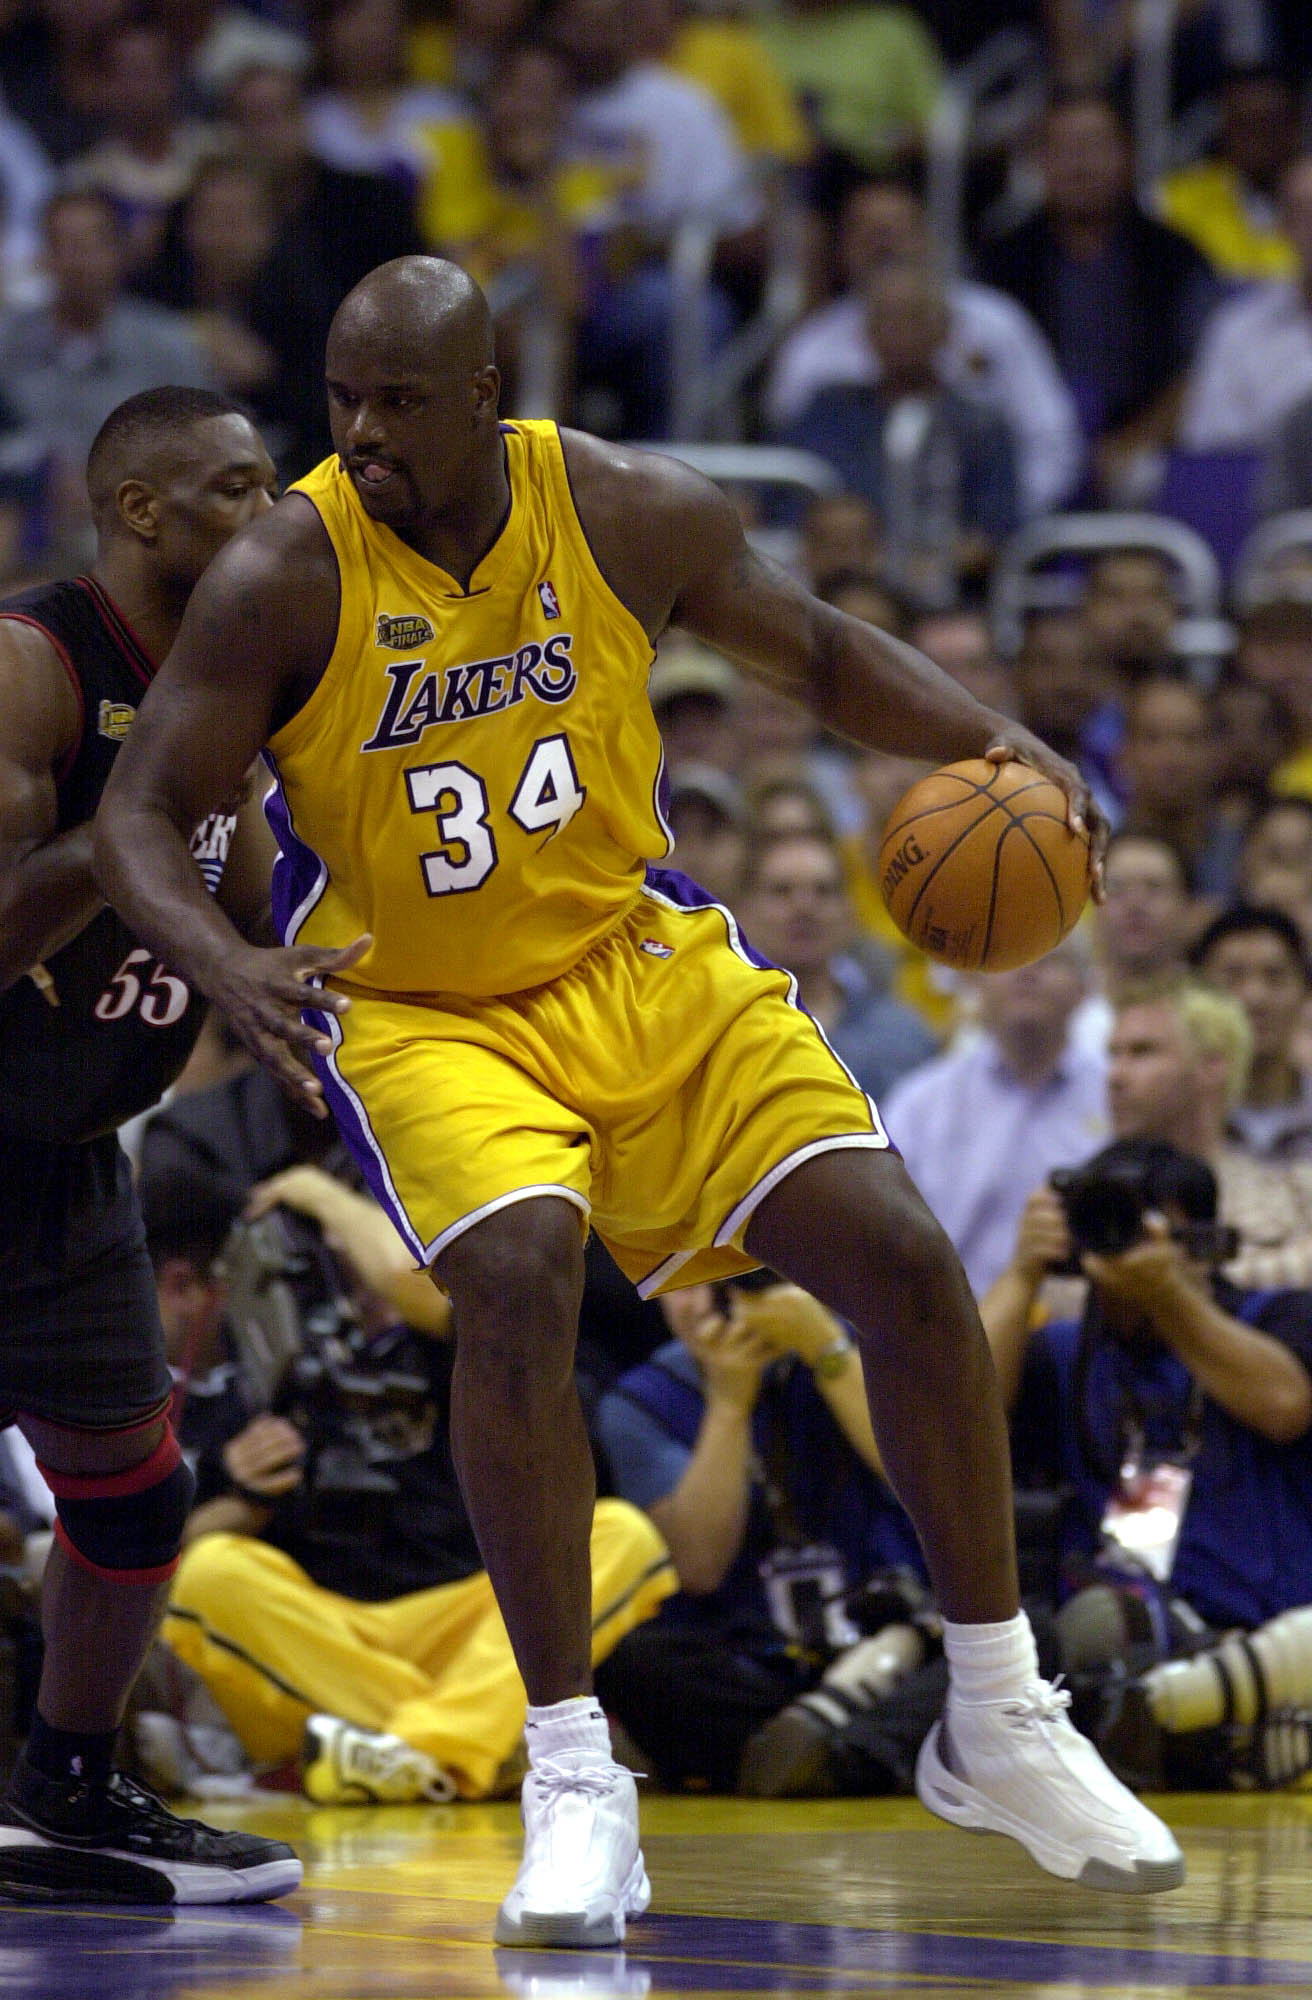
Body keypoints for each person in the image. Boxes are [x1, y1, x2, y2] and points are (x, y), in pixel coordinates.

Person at [94, 253, 1183, 1947]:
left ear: (485, 394)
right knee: (520, 1276)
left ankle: (997, 1708)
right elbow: (143, 818)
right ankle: (570, 1766)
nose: (360, 434)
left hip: (635, 957)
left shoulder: (616, 509)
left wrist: (994, 739)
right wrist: (233, 968)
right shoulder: (283, 570)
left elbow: (814, 653)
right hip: (421, 1005)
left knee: (897, 1260)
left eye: (395, 402)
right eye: (339, 399)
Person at [0, 384, 299, 1902]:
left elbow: (260, 914)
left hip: (71, 1159)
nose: (270, 516)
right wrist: (117, 831)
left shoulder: (212, 682)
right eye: (239, 491)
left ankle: (67, 1786)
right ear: (141, 512)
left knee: (132, 1496)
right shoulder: (30, 664)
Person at [141, 1159, 676, 1806]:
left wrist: (318, 1194)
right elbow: (179, 1551)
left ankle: (414, 1755)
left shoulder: (477, 1336)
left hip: (483, 1626)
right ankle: (468, 1744)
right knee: (211, 1572)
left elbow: (405, 1278)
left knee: (621, 1534)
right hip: (340, 1637)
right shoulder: (277, 1365)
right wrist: (245, 1491)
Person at [978, 1137, 1312, 1787]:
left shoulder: (1280, 1316)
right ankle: (1214, 1735)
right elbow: (956, 1418)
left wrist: (1168, 1292)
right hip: (1108, 1637)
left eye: (1147, 1225)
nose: (1126, 1242)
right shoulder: (1066, 1351)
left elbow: (1284, 1404)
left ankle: (1194, 1721)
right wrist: (1022, 1274)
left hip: (1262, 1631)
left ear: (1204, 1242)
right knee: (1031, 1646)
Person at [879, 939, 1109, 1295]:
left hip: (1088, 1326)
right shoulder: (919, 1105)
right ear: (975, 984)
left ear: (1085, 987)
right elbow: (884, 1234)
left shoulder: (1117, 1096)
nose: (1028, 972)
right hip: (950, 1326)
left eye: (1050, 959)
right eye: (1008, 957)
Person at [1190, 905, 1312, 1162]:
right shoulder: (1179, 1122)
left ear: (1304, 993)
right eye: (1233, 977)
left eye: (1275, 977)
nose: (1255, 998)